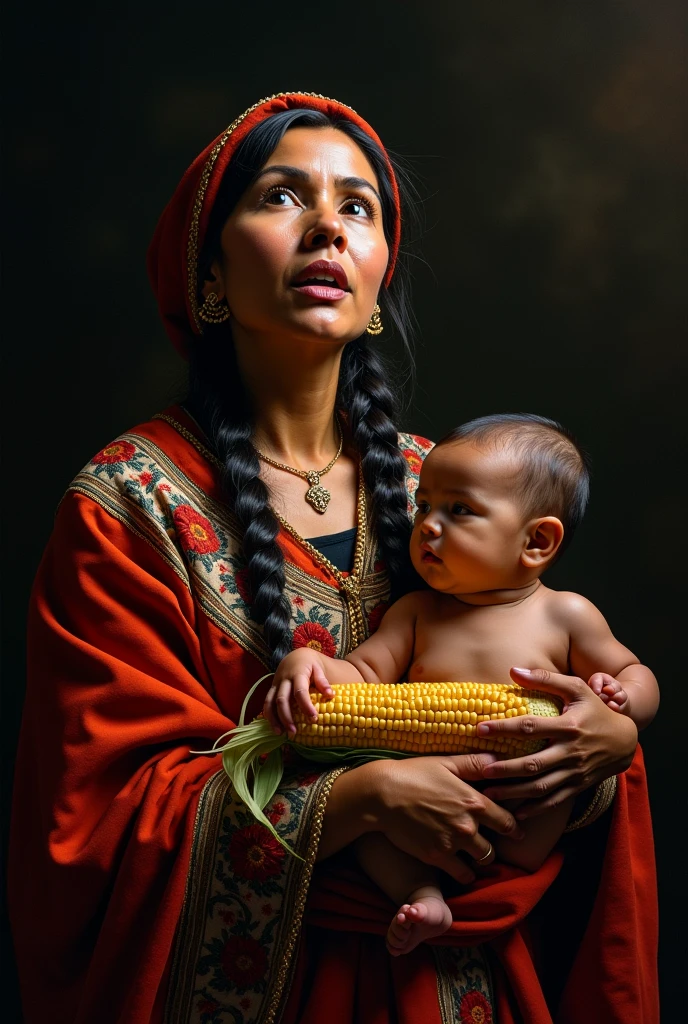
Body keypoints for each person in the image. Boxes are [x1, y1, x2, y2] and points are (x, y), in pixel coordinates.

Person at [8, 93, 658, 1024]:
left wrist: (607, 744)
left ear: (382, 277)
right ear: (210, 274)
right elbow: (97, 816)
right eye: (280, 198)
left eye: (358, 207)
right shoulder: (131, 503)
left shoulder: (446, 488)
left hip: (467, 985)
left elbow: (569, 690)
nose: (327, 227)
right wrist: (359, 798)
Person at [264, 412, 659, 957]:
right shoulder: (417, 612)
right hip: (418, 816)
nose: (427, 525)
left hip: (524, 821)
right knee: (373, 839)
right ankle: (421, 896)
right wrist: (307, 663)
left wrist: (622, 707)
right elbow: (361, 674)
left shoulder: (565, 615)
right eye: (423, 505)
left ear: (536, 541)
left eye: (459, 511)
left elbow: (635, 673)